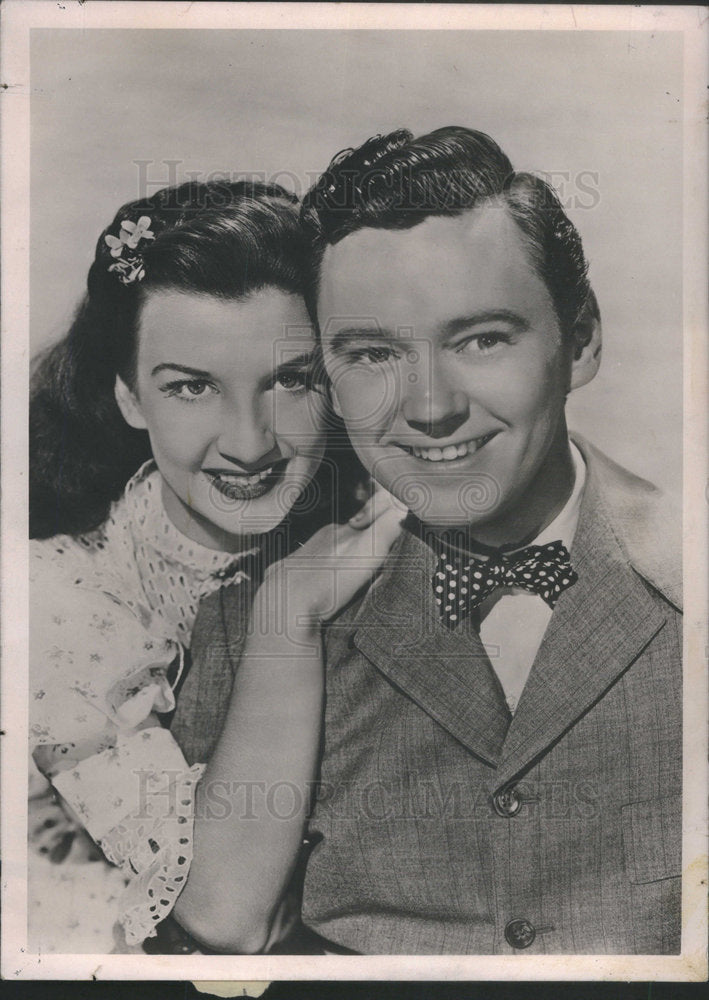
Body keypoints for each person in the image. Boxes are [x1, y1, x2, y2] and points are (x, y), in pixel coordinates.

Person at [173, 127, 682, 954]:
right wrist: (284, 629)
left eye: (480, 339)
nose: (430, 407)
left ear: (579, 339)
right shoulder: (248, 622)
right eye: (372, 354)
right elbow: (217, 941)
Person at [29, 178, 405, 952]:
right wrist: (286, 615)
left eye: (290, 380)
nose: (248, 443)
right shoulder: (58, 606)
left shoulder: (386, 513)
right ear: (130, 396)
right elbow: (225, 920)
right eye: (192, 387)